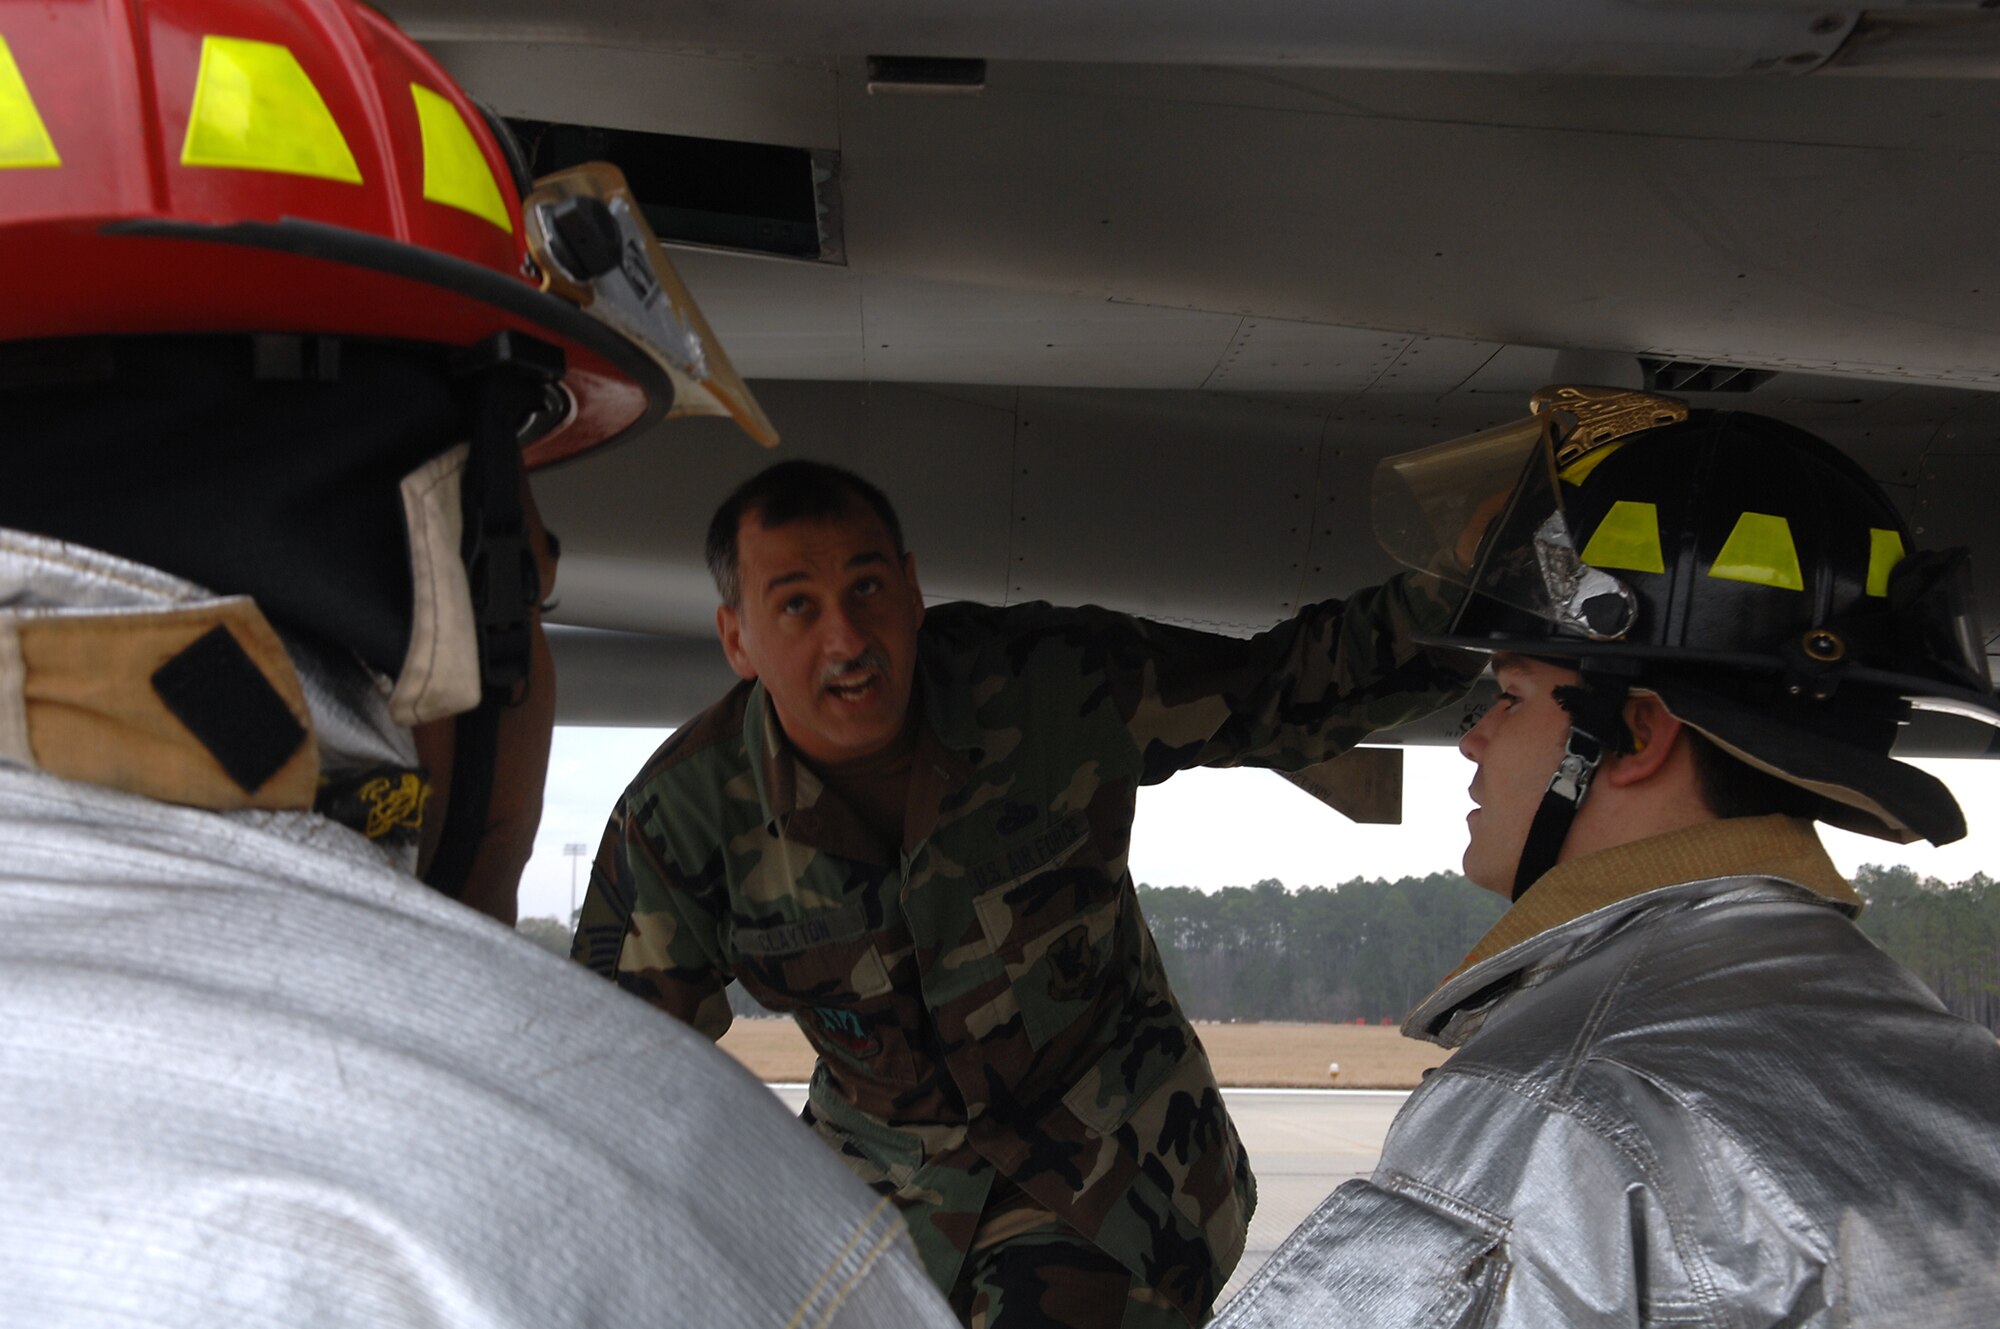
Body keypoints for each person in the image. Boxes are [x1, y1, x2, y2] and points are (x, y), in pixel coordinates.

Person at [0, 2, 955, 1324]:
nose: (846, 641)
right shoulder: (623, 1182)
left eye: (866, 594)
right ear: (455, 582)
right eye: (533, 576)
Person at [573, 457, 1483, 1326]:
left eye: (867, 589)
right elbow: (616, 1076)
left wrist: (1488, 580)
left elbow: (1282, 689)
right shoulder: (683, 823)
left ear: (913, 589)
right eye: (798, 607)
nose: (846, 637)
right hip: (886, 1206)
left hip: (1113, 1171)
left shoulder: (1052, 686)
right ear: (737, 637)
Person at [1213, 387, 2000, 1327]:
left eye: (1509, 695)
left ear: (1633, 731)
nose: (1474, 741)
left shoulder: (1555, 1106)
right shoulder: (1958, 1068)